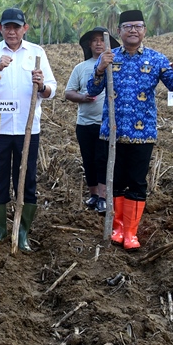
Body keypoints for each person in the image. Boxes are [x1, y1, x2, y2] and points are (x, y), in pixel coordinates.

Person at [87, 10, 173, 251]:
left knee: (136, 182)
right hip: (112, 133)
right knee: (115, 181)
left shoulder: (156, 59)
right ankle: (117, 228)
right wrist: (100, 69)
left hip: (142, 135)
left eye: (138, 26)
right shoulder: (109, 57)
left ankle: (131, 232)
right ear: (119, 32)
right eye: (128, 26)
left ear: (144, 30)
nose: (133, 30)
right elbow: (92, 89)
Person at [0, 7, 56, 252]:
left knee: (27, 179)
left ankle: (22, 231)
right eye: (7, 27)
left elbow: (51, 90)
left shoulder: (37, 53)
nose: (11, 31)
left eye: (16, 27)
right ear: (0, 28)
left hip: (28, 130)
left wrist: (42, 85)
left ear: (24, 29)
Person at [64, 27, 119, 213]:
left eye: (102, 40)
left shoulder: (116, 65)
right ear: (89, 44)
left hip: (107, 123)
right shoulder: (81, 68)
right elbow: (68, 92)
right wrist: (82, 97)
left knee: (103, 159)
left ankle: (104, 197)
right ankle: (94, 194)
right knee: (88, 159)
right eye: (95, 40)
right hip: (85, 123)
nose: (98, 43)